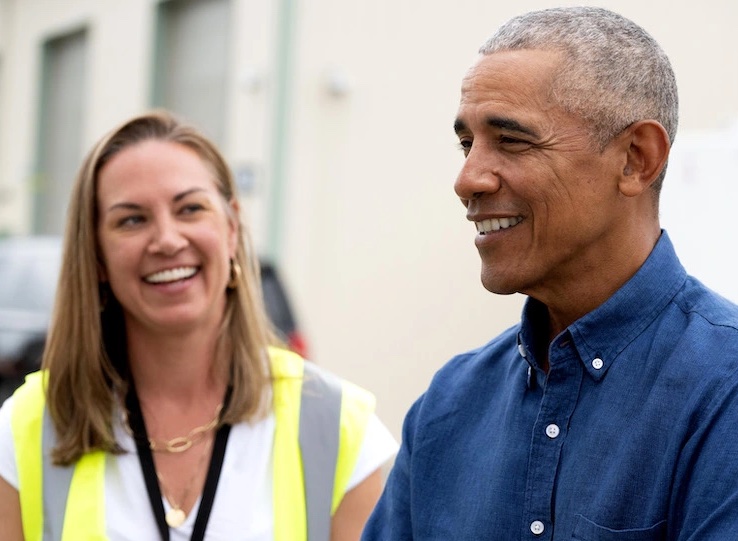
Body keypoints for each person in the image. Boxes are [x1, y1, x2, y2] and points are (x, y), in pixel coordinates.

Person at [362, 6, 738, 540]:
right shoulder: (449, 406)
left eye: (512, 140)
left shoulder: (723, 391)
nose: (467, 179)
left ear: (636, 158)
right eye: (467, 144)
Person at [0, 110, 398, 541]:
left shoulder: (338, 426)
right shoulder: (28, 426)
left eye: (190, 208)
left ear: (230, 228)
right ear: (96, 255)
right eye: (132, 219)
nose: (168, 240)